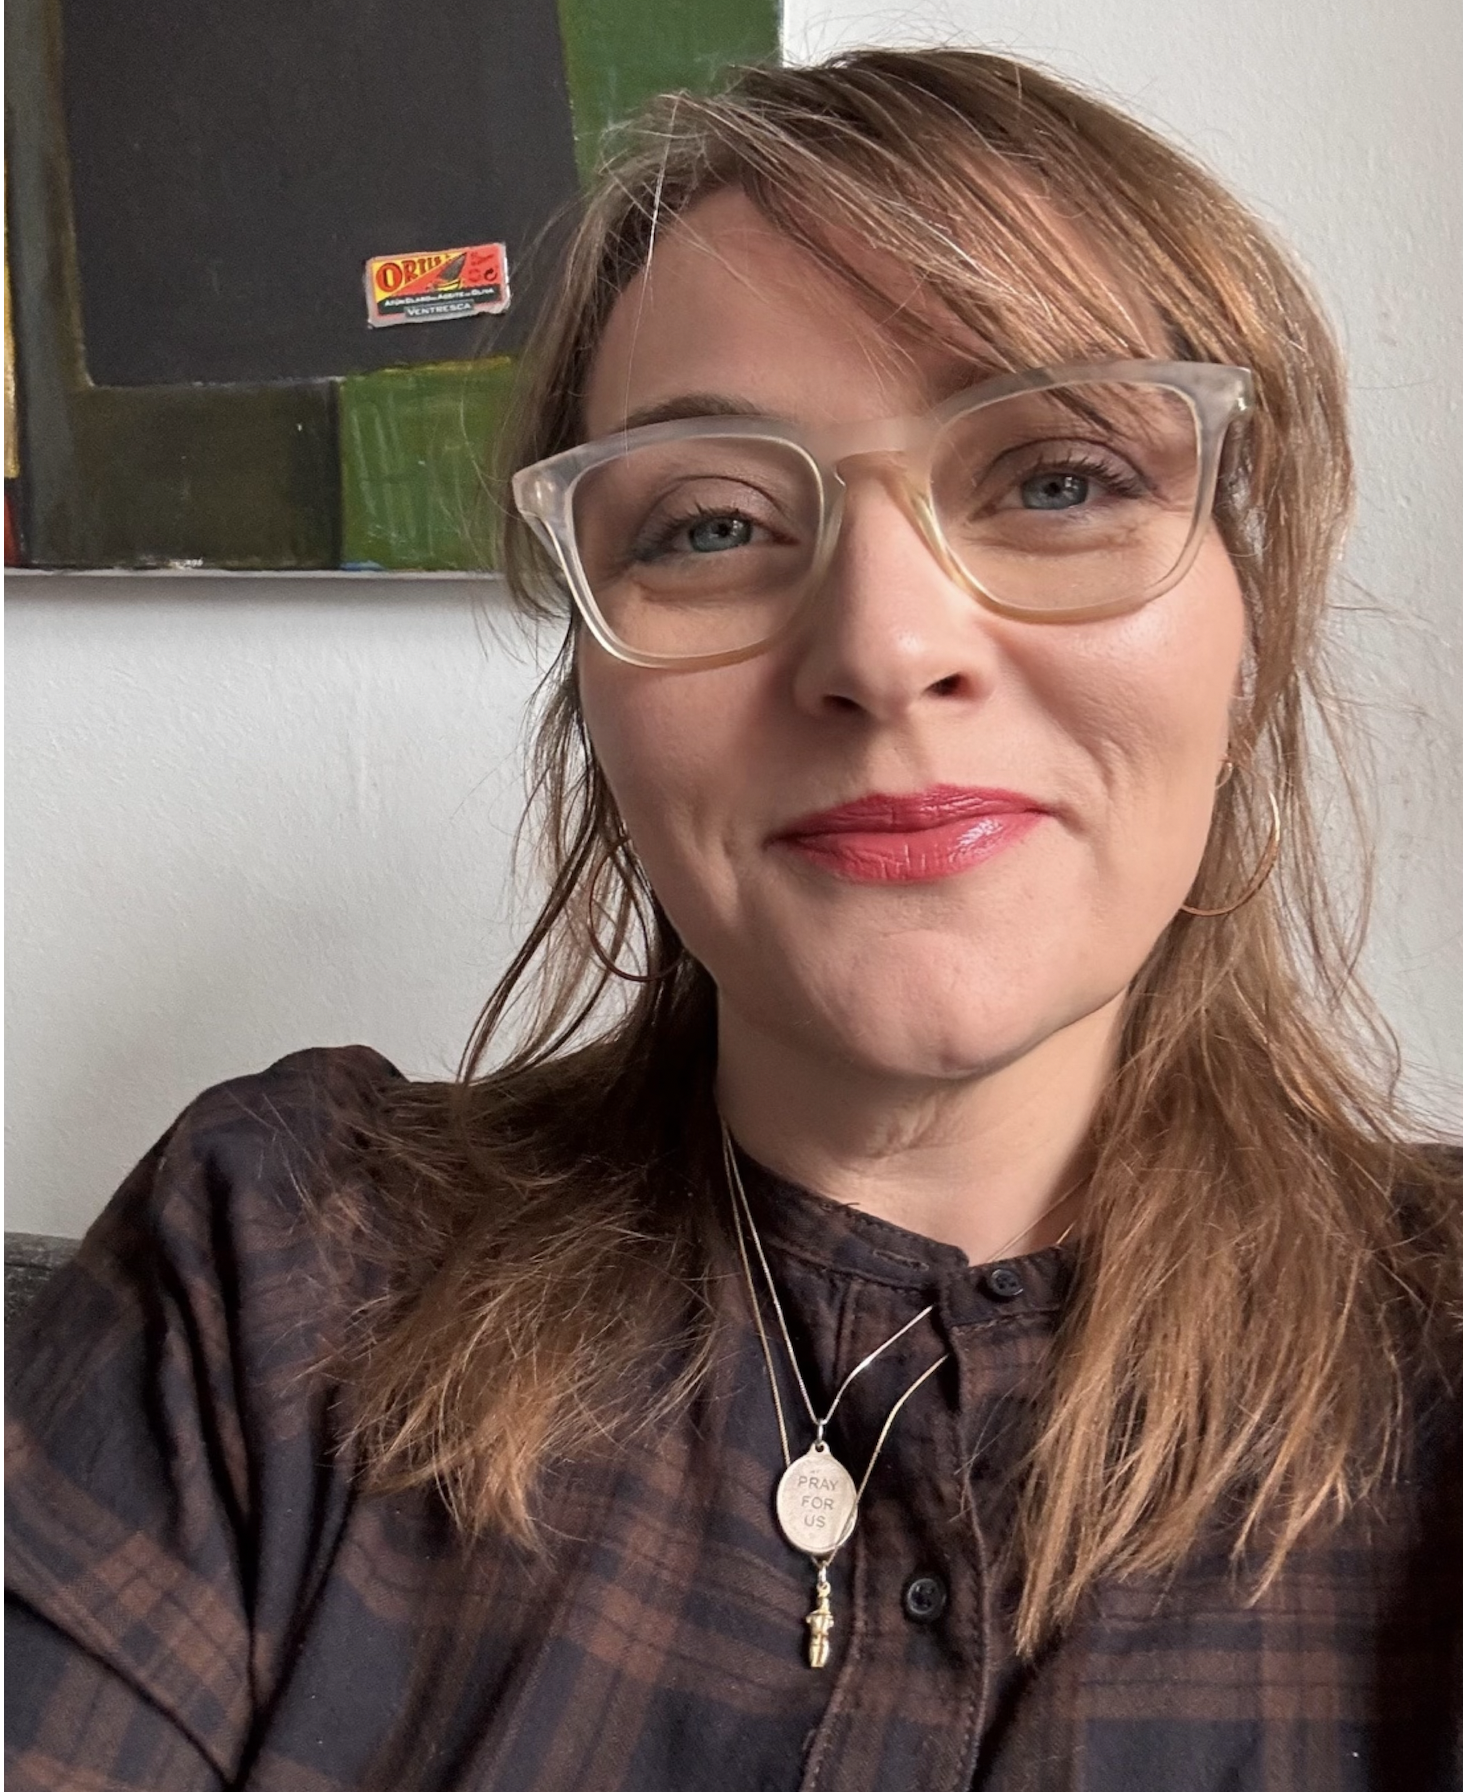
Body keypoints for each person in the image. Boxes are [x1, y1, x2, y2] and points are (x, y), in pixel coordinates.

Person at [6, 46, 1459, 1792]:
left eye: (1056, 479)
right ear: (595, 702)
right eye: (709, 523)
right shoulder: (274, 1277)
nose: (878, 647)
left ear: (1251, 605)